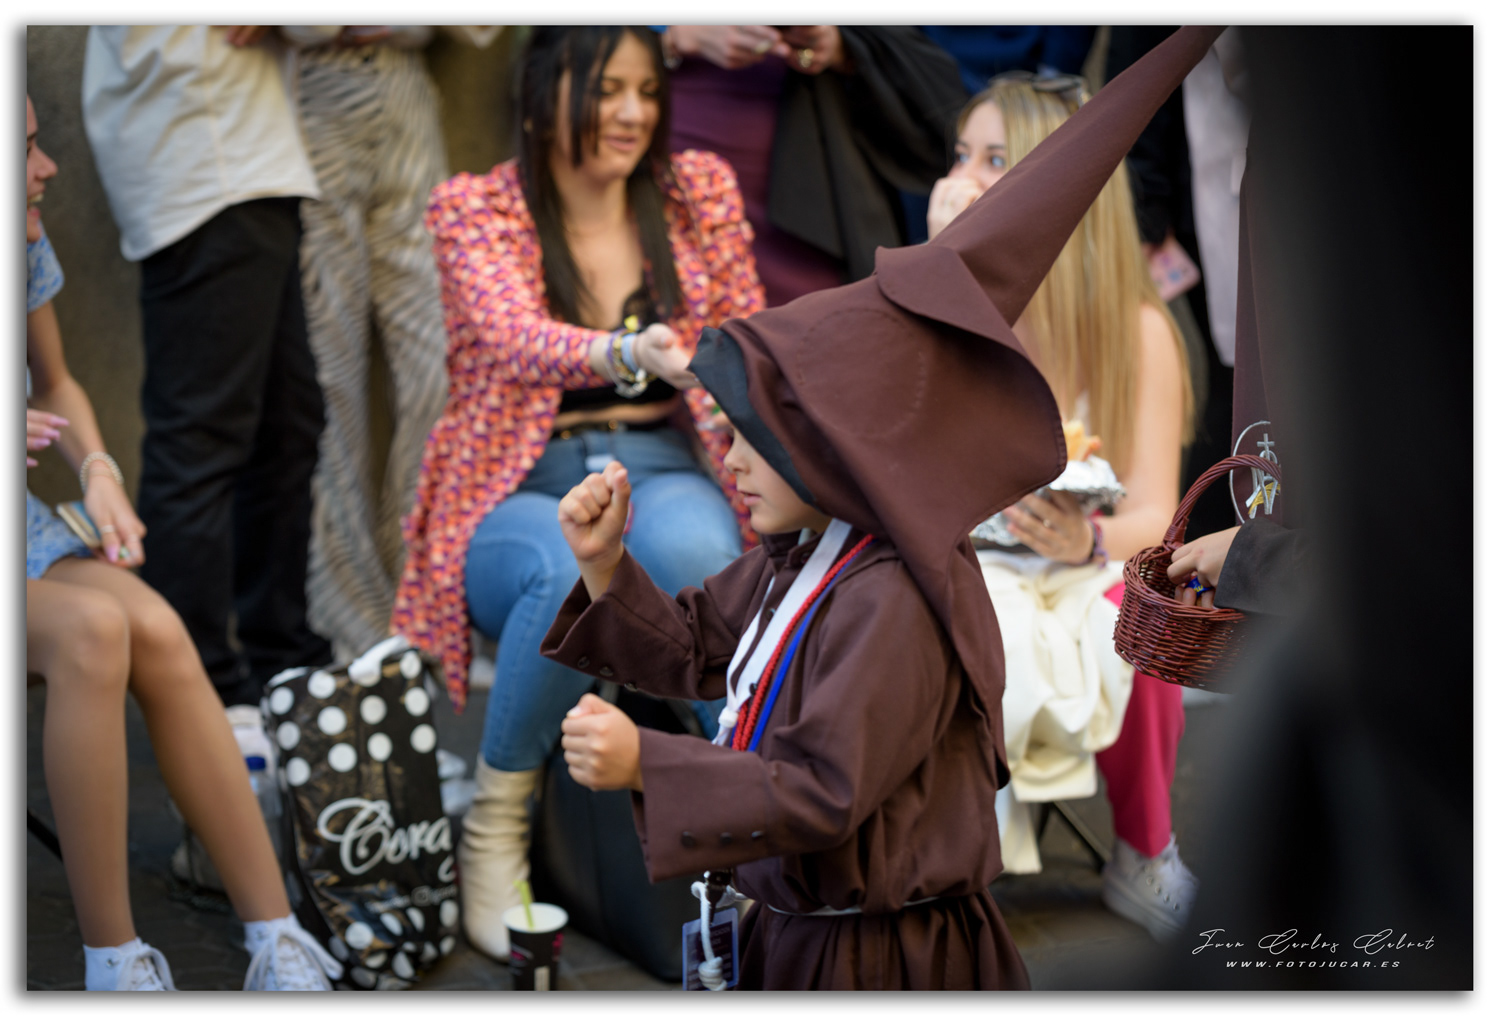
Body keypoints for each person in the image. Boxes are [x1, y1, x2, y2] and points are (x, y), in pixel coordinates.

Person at [539, 28, 1221, 988]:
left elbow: (823, 789)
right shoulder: (805, 555)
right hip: (802, 931)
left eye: (752, 438)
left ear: (832, 450)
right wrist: (608, 567)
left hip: (882, 957)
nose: (728, 459)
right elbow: (697, 646)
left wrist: (651, 764)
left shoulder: (893, 599)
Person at [390, 26, 765, 959]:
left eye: (646, 89)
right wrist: (623, 349)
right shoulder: (474, 206)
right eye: (605, 89)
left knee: (704, 556)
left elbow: (745, 336)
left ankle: (754, 821)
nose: (632, 112)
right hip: (516, 485)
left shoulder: (697, 192)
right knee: (564, 566)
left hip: (660, 467)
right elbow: (509, 333)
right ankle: (494, 831)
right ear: (539, 94)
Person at [25, 95, 339, 993]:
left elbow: (56, 381)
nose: (47, 167)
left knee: (159, 626)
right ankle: (115, 963)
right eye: (27, 150)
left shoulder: (24, 242)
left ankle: (276, 937)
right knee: (93, 634)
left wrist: (98, 472)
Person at [926, 72, 1200, 938]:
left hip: (1084, 557)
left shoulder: (1138, 329)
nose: (963, 178)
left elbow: (1156, 515)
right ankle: (947, 860)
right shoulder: (944, 310)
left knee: (1141, 622)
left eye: (995, 160)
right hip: (967, 557)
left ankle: (1144, 847)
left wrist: (1084, 543)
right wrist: (940, 274)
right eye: (960, 156)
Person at [81, 27, 331, 743]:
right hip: (210, 163)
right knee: (202, 441)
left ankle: (279, 671)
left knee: (284, 429)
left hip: (236, 161)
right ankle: (199, 693)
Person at [278, 26, 452, 663]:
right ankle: (352, 624)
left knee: (445, 364)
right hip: (310, 91)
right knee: (332, 378)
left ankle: (427, 605)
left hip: (407, 81)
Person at [661, 25, 966, 305]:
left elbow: (930, 75)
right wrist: (677, 35)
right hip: (680, 183)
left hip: (818, 186)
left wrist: (839, 44)